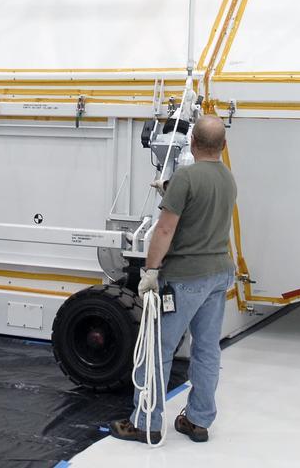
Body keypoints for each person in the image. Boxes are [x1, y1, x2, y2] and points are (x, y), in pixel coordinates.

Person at [108, 114, 236, 445]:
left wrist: (150, 270)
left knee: (157, 349)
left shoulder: (185, 177)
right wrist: (172, 190)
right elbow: (203, 206)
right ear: (223, 145)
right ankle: (198, 421)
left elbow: (164, 229)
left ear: (192, 144)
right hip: (219, 273)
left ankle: (146, 422)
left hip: (185, 279)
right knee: (207, 350)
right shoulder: (228, 178)